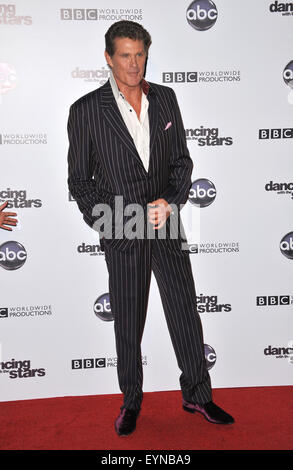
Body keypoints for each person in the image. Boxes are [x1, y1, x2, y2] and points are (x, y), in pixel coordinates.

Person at [67, 20, 234, 436]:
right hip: (121, 229)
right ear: (109, 58)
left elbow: (181, 162)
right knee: (128, 322)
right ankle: (131, 402)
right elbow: (79, 182)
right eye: (125, 55)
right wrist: (107, 220)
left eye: (140, 54)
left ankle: (197, 393)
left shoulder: (165, 98)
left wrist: (173, 200)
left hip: (165, 224)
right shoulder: (86, 110)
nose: (133, 63)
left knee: (184, 311)